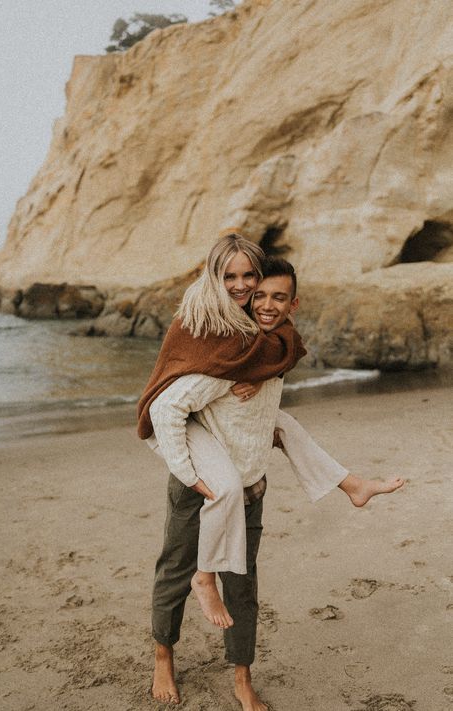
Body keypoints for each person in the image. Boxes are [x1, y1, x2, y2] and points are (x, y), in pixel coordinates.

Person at [137, 239, 404, 709]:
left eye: (251, 278)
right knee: (175, 573)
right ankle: (163, 654)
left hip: (248, 479)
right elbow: (167, 402)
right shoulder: (204, 330)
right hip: (198, 480)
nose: (245, 288)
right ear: (214, 278)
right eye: (231, 278)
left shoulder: (268, 338)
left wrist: (259, 375)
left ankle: (241, 677)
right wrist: (189, 473)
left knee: (242, 584)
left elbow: (268, 391)